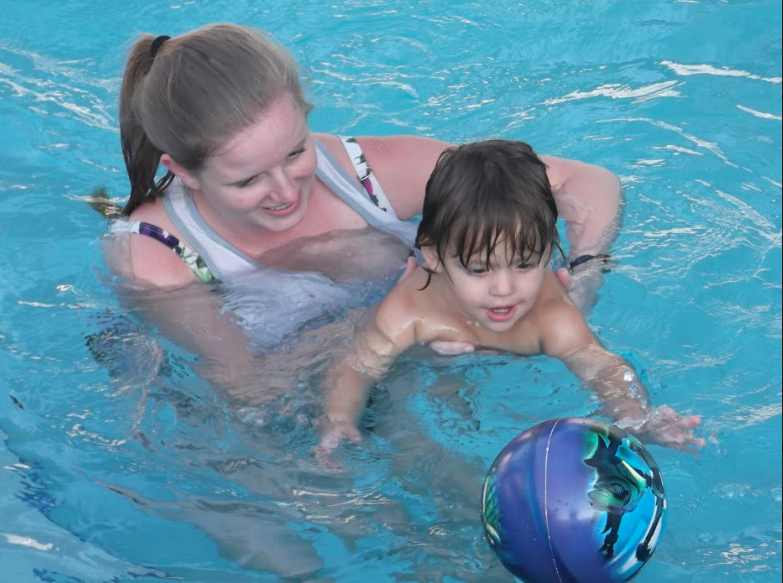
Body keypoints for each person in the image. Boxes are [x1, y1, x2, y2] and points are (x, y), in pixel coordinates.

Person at [103, 22, 621, 395]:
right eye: (249, 179)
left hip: (420, 370)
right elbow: (251, 391)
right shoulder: (156, 257)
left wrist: (587, 270)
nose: (286, 191)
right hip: (302, 416)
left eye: (295, 151)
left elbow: (589, 181)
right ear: (186, 171)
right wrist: (406, 327)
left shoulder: (364, 173)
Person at [319, 140, 706, 455]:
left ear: (546, 252)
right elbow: (357, 365)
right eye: (479, 269)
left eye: (524, 264)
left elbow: (601, 368)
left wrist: (635, 419)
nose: (504, 288)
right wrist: (339, 420)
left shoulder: (549, 315)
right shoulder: (412, 308)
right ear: (434, 256)